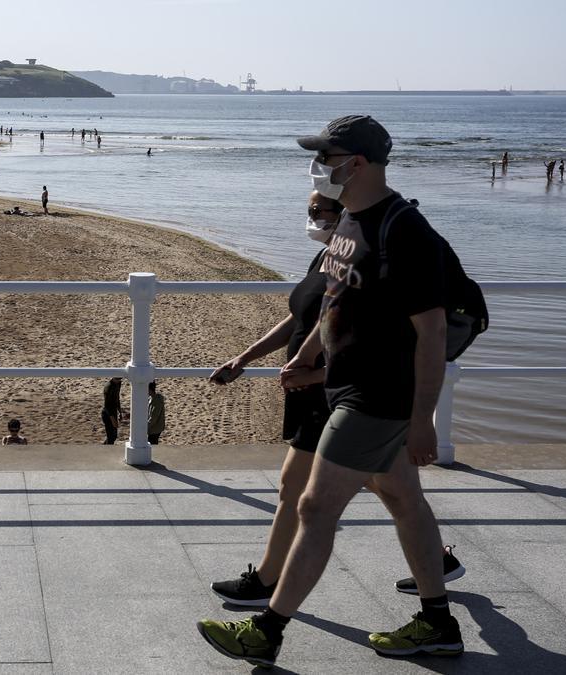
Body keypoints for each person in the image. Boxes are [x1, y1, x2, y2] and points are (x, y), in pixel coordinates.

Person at [198, 115, 464, 668]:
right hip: (348, 387)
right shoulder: (351, 224)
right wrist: (306, 354)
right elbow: (335, 303)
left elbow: (433, 331)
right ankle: (439, 623)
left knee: (314, 506)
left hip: (377, 395)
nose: (320, 164)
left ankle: (267, 631)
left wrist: (423, 419)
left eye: (328, 154)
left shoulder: (404, 229)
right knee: (402, 500)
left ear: (358, 163)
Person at [102, 377, 123, 444]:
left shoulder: (118, 383)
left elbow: (117, 398)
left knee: (113, 436)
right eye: (117, 379)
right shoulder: (109, 387)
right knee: (111, 437)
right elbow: (107, 405)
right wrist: (112, 418)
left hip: (113, 411)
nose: (119, 381)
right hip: (108, 413)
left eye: (120, 379)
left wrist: (119, 411)